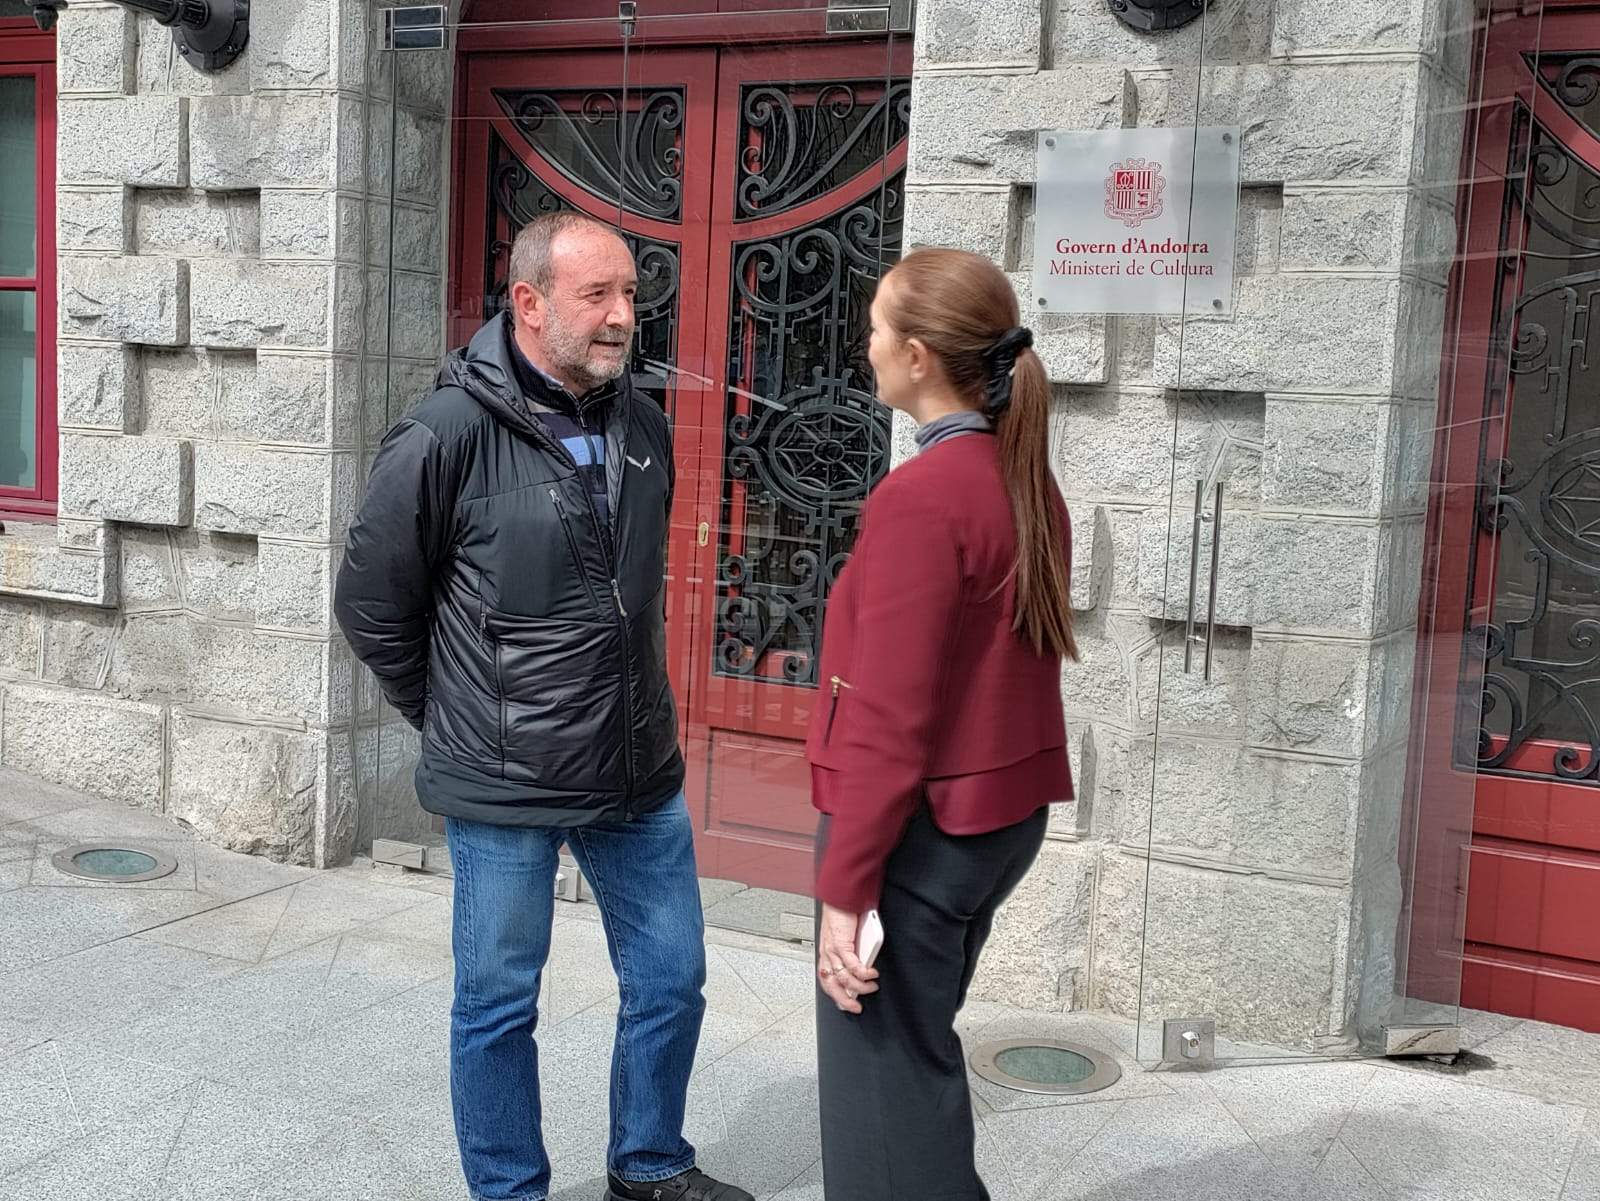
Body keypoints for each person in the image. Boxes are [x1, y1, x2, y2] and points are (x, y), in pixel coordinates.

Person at [334, 212, 752, 1201]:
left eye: (630, 296)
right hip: (505, 782)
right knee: (495, 1005)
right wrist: (456, 715)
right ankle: (509, 1191)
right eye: (596, 295)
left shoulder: (643, 423)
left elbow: (627, 595)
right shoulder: (444, 433)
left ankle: (649, 1165)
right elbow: (370, 602)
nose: (621, 317)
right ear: (528, 303)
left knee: (671, 978)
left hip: (634, 770)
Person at [805, 248, 1078, 1201]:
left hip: (914, 833)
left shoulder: (922, 497)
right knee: (913, 1063)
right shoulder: (1026, 481)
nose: (865, 344)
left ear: (918, 356)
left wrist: (846, 890)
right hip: (991, 821)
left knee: (882, 1086)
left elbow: (890, 717)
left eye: (877, 328)